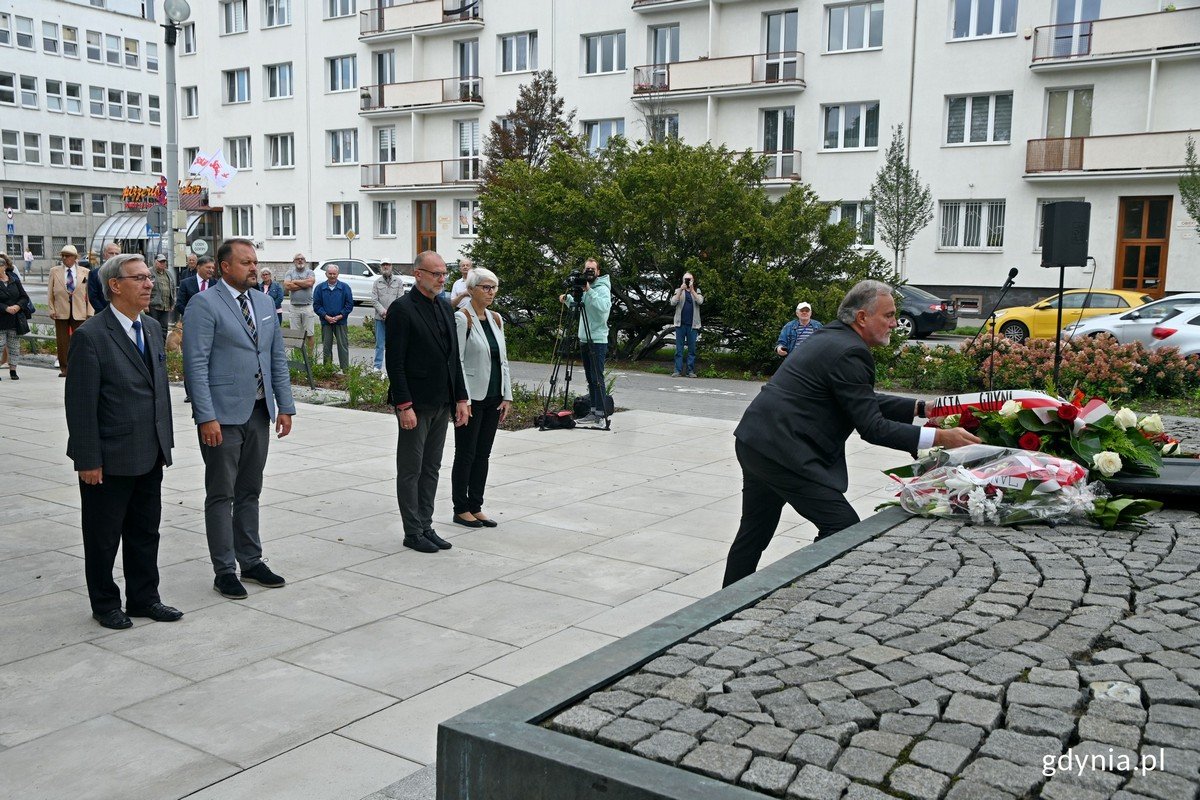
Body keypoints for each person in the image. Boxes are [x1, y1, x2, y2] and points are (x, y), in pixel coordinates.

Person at [723, 280, 981, 587]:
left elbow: (856, 397)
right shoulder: (851, 351)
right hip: (784, 450)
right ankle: (797, 595)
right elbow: (873, 427)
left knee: (754, 532)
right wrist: (940, 438)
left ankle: (725, 603)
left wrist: (921, 408)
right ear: (862, 317)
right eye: (888, 315)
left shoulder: (831, 336)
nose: (894, 323)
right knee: (841, 528)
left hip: (756, 440)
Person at [65, 254, 180, 629]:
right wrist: (88, 460)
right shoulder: (91, 336)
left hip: (150, 451)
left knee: (145, 532)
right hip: (109, 457)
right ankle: (104, 604)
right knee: (102, 537)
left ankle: (145, 598)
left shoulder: (152, 327)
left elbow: (158, 390)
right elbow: (81, 405)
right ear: (115, 285)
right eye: (139, 278)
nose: (149, 284)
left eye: (149, 277)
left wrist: (164, 442)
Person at [183, 239, 296, 600]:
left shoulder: (262, 302)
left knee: (250, 490)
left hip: (259, 412)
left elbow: (276, 357)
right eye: (246, 262)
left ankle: (251, 560)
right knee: (222, 493)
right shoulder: (204, 304)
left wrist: (285, 405)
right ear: (225, 267)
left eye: (255, 262)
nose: (253, 268)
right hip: (222, 416)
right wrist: (206, 416)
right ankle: (224, 570)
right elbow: (195, 364)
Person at [385, 251, 469, 554]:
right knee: (411, 469)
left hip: (441, 401)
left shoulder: (444, 307)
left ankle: (425, 524)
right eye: (436, 273)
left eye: (444, 273)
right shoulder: (402, 309)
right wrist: (403, 405)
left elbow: (453, 358)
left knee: (431, 467)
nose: (442, 278)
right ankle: (412, 531)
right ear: (418, 274)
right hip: (416, 404)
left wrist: (461, 397)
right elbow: (395, 363)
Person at [452, 267, 511, 529]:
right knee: (466, 453)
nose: (491, 292)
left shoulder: (496, 318)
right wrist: (462, 399)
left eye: (494, 287)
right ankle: (460, 508)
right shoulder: (462, 318)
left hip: (494, 396)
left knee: (483, 454)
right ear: (471, 289)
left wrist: (507, 394)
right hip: (471, 398)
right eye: (485, 287)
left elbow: (503, 360)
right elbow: (457, 361)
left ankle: (476, 505)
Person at [559, 258, 612, 425]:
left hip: (597, 339)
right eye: (587, 269)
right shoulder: (583, 288)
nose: (589, 272)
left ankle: (600, 415)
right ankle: (593, 412)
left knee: (597, 378)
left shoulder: (602, 289)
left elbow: (603, 309)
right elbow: (579, 305)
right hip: (584, 338)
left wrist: (589, 290)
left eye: (592, 269)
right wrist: (567, 299)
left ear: (598, 272)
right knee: (590, 378)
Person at [48, 244, 93, 378]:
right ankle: (65, 368)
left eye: (67, 256)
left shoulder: (85, 272)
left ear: (74, 257)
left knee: (81, 340)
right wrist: (51, 309)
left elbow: (89, 294)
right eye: (62, 256)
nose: (64, 258)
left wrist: (90, 312)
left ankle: (81, 366)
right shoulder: (54, 271)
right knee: (62, 342)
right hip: (60, 310)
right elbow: (50, 292)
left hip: (80, 311)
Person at [313, 264, 354, 372]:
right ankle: (327, 369)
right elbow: (316, 305)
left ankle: (345, 370)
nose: (332, 276)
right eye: (330, 273)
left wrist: (340, 315)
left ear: (338, 274)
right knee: (326, 346)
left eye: (334, 274)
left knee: (343, 345)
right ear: (326, 274)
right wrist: (325, 316)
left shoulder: (345, 287)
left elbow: (349, 305)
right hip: (326, 321)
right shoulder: (320, 288)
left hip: (341, 321)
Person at [0, 253, 34, 380]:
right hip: (1, 319)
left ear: (4, 267)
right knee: (0, 345)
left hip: (15, 319)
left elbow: (24, 297)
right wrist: (5, 308)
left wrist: (18, 306)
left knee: (14, 346)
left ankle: (13, 370)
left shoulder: (14, 280)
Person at [371, 260, 406, 372]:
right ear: (381, 267)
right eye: (383, 265)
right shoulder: (377, 282)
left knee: (394, 344)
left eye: (387, 265)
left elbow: (400, 299)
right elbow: (374, 300)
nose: (385, 267)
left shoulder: (398, 281)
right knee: (379, 344)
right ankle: (377, 367)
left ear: (391, 266)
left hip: (394, 318)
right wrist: (383, 312)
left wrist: (391, 313)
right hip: (380, 318)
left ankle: (392, 367)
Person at [669, 272, 703, 378]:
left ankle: (690, 371)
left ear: (693, 280)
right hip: (680, 324)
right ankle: (677, 370)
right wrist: (680, 290)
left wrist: (692, 290)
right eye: (686, 279)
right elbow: (673, 302)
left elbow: (700, 301)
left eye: (690, 279)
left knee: (692, 349)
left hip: (693, 325)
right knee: (679, 349)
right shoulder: (678, 290)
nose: (688, 281)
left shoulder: (697, 291)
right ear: (683, 280)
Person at [283, 253, 316, 354]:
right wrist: (304, 284)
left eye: (302, 259)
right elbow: (287, 286)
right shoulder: (289, 273)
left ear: (305, 261)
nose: (300, 260)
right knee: (295, 335)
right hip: (294, 308)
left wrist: (295, 281)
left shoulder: (310, 272)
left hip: (307, 307)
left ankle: (309, 359)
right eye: (297, 259)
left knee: (309, 334)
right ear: (294, 261)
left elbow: (310, 283)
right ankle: (298, 358)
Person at [176, 255, 216, 320]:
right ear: (198, 267)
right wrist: (192, 315)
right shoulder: (185, 283)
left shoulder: (216, 284)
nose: (211, 270)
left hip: (211, 321)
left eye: (213, 268)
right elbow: (179, 305)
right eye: (208, 267)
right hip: (191, 320)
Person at [148, 254, 176, 343]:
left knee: (164, 328)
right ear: (155, 262)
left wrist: (172, 303)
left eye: (164, 262)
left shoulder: (168, 273)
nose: (162, 263)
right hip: (153, 305)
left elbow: (173, 288)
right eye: (160, 262)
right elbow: (145, 288)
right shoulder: (149, 272)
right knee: (152, 327)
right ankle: (153, 346)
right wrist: (145, 305)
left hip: (165, 306)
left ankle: (162, 346)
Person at [88, 241, 122, 314]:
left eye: (117, 253)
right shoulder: (94, 274)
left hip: (122, 313)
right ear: (104, 255)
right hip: (102, 314)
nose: (114, 256)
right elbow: (93, 297)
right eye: (111, 253)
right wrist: (105, 313)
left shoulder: (125, 273)